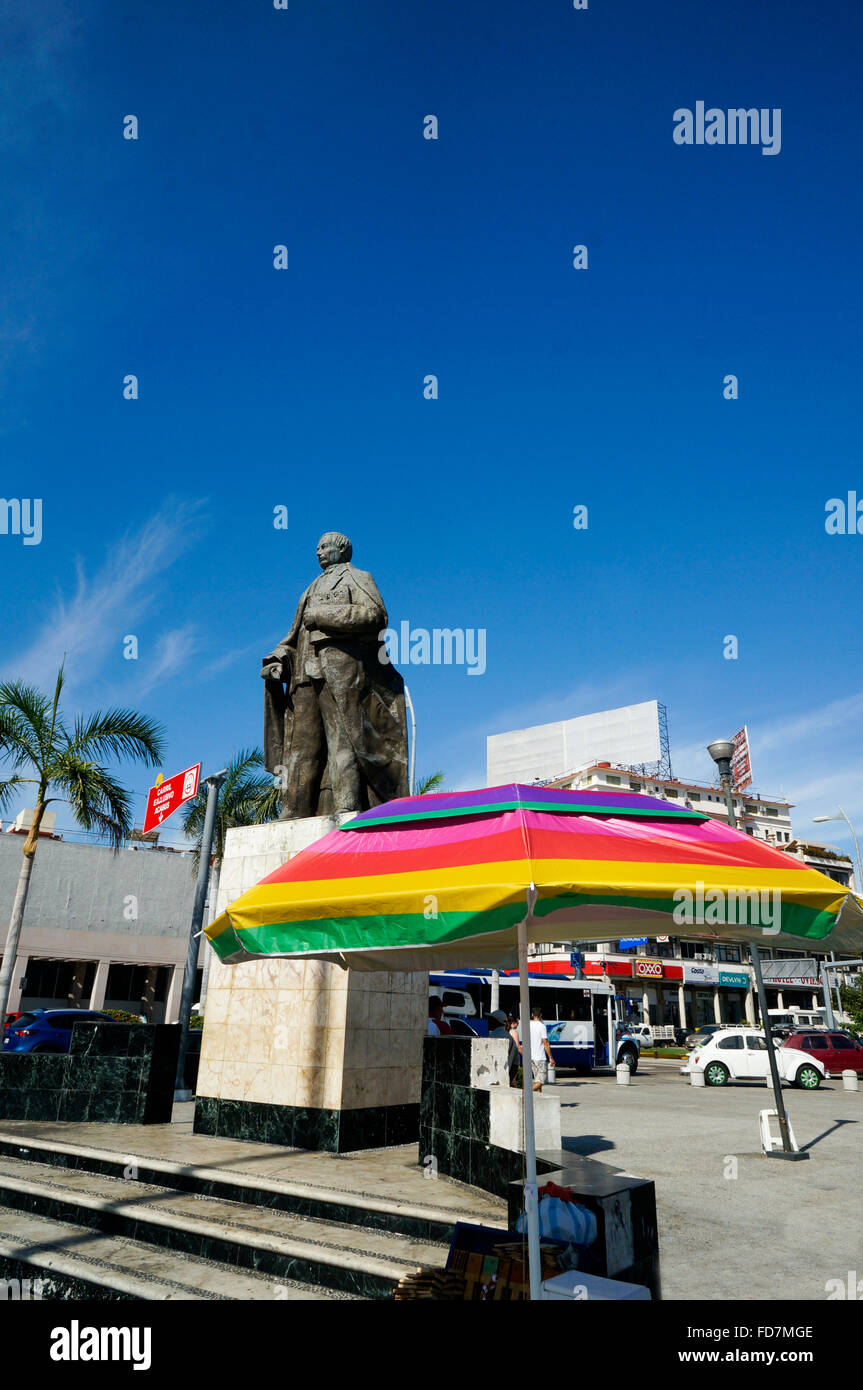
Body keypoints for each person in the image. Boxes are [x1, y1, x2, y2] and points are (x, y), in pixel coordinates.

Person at [526, 1006, 553, 1091]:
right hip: (540, 1058)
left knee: (537, 1081)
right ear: (541, 1015)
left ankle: (538, 1102)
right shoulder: (542, 1026)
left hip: (532, 1057)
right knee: (541, 1081)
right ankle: (526, 1093)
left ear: (532, 1014)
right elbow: (546, 1043)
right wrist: (551, 1058)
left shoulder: (528, 1025)